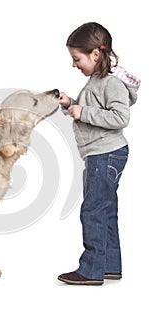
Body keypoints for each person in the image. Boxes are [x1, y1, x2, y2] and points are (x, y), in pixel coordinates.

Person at [57, 22, 140, 285]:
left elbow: (120, 117)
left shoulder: (110, 82)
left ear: (95, 54)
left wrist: (83, 112)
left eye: (76, 58)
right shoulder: (98, 79)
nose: (74, 64)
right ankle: (109, 265)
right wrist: (71, 104)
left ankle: (91, 269)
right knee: (106, 210)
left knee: (93, 210)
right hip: (103, 154)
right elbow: (94, 109)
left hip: (105, 154)